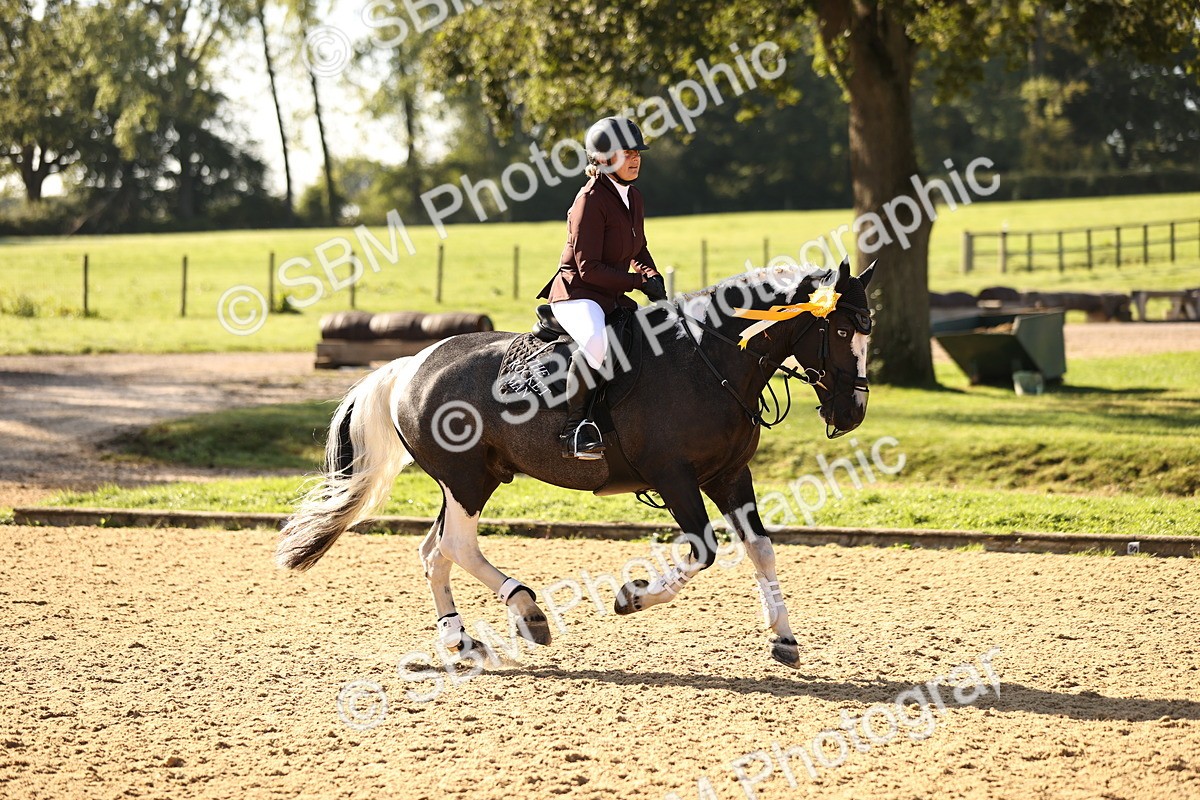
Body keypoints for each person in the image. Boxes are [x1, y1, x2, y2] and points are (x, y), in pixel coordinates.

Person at [537, 116, 667, 460]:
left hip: (609, 294)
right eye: (627, 153)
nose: (636, 158)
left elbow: (637, 248)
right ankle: (574, 429)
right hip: (577, 294)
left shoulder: (633, 197)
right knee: (598, 344)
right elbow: (588, 268)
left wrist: (652, 275)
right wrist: (638, 282)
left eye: (637, 152)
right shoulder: (589, 200)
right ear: (604, 158)